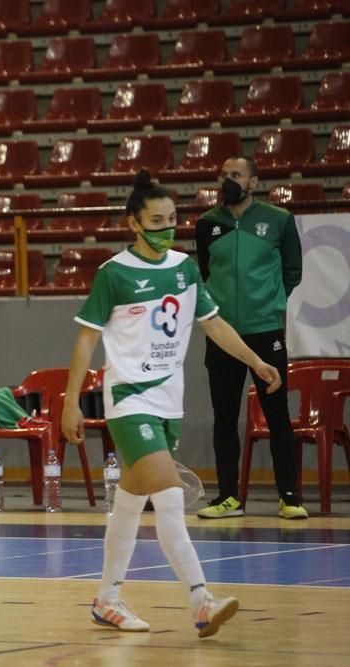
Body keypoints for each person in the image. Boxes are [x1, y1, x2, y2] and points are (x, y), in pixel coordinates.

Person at [61, 170, 282, 638]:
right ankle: (201, 600)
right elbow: (85, 341)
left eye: (172, 220)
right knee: (169, 498)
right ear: (134, 224)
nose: (166, 228)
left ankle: (107, 599)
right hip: (129, 400)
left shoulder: (184, 268)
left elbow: (214, 324)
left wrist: (257, 362)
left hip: (169, 404)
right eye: (156, 221)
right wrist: (70, 403)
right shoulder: (114, 273)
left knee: (129, 504)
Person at [195, 156, 306, 520]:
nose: (227, 180)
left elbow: (292, 272)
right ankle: (228, 497)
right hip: (222, 334)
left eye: (236, 175)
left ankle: (289, 497)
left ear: (253, 182)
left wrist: (268, 305)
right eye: (223, 174)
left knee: (277, 415)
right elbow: (206, 271)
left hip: (265, 330)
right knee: (224, 417)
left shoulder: (279, 221)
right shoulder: (207, 224)